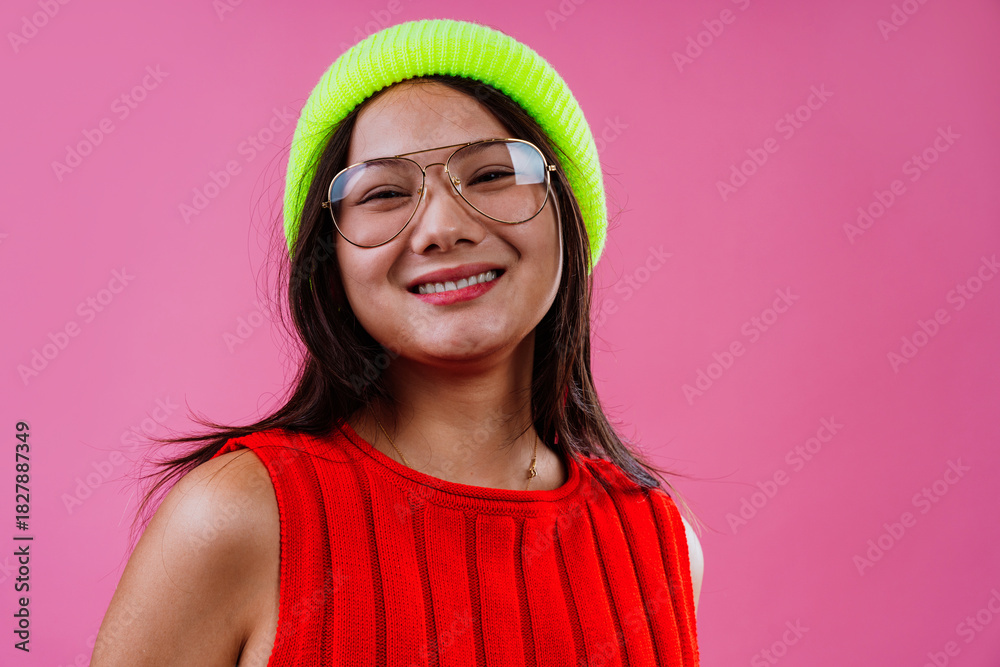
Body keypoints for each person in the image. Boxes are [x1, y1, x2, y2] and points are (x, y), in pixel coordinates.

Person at [92, 18, 703, 666]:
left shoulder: (659, 541)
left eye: (494, 173)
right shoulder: (236, 518)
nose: (442, 227)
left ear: (568, 213)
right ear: (329, 259)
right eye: (384, 193)